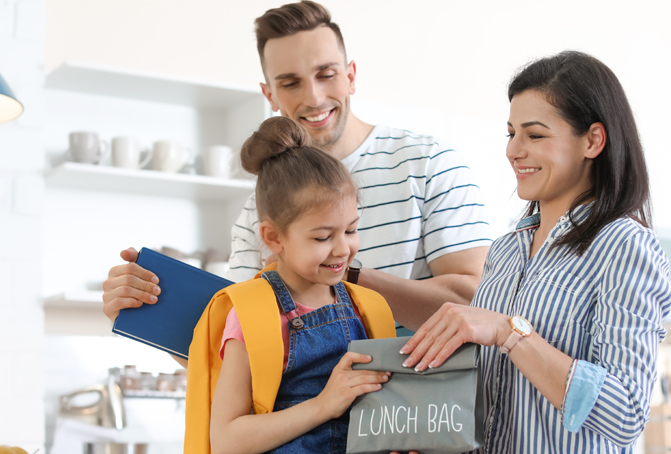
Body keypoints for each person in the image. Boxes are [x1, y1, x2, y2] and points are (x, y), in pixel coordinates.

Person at [101, 1, 491, 344]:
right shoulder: (258, 210)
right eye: (290, 83)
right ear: (269, 94)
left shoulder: (428, 164)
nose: (314, 97)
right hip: (308, 422)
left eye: (327, 74)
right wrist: (145, 309)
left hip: (410, 418)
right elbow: (235, 350)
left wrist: (338, 272)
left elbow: (475, 302)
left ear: (351, 74)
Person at [397, 51, 671, 454]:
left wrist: (507, 331)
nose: (513, 150)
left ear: (593, 140)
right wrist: (435, 436)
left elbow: (625, 412)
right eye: (511, 133)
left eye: (535, 134)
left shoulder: (626, 246)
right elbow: (498, 398)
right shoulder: (504, 252)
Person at [210, 115, 485, 454]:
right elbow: (226, 440)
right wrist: (325, 404)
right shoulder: (250, 313)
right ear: (273, 238)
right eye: (322, 237)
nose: (343, 249)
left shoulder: (366, 304)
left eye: (352, 230)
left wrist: (410, 442)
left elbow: (383, 404)